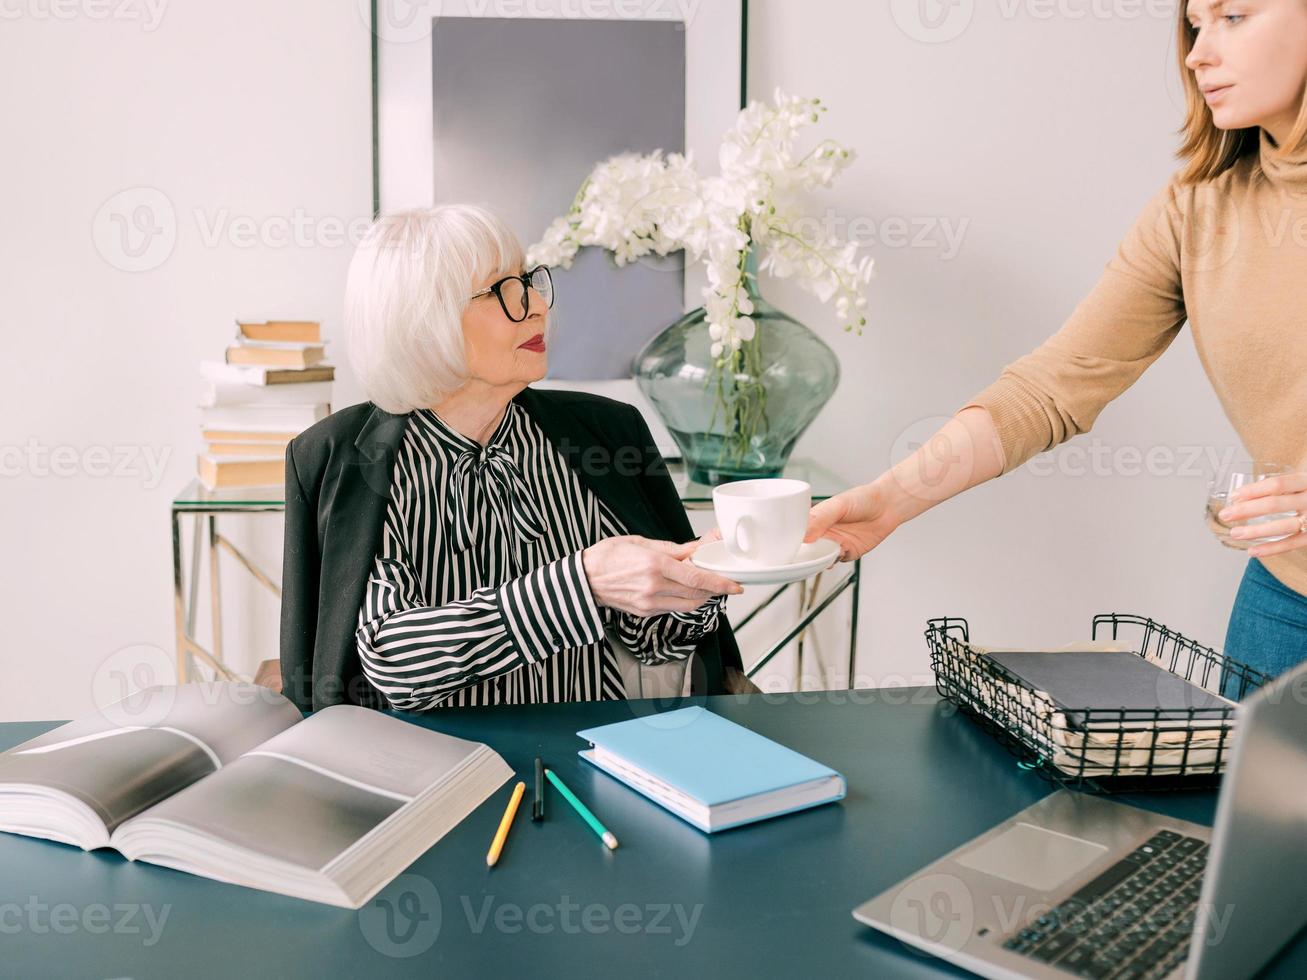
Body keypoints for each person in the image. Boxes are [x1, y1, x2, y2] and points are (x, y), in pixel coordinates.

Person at [806, 0, 1307, 684]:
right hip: (1287, 596)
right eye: (1194, 24)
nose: (1196, 53)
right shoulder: (1199, 205)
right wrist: (891, 499)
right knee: (1249, 795)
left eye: (1234, 17)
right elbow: (1053, 385)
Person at [280, 204, 745, 712]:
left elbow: (657, 646)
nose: (538, 307)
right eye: (505, 291)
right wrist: (580, 585)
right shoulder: (345, 459)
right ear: (424, 321)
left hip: (592, 754)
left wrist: (705, 575)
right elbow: (393, 660)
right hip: (432, 770)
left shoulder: (606, 434)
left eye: (528, 281)